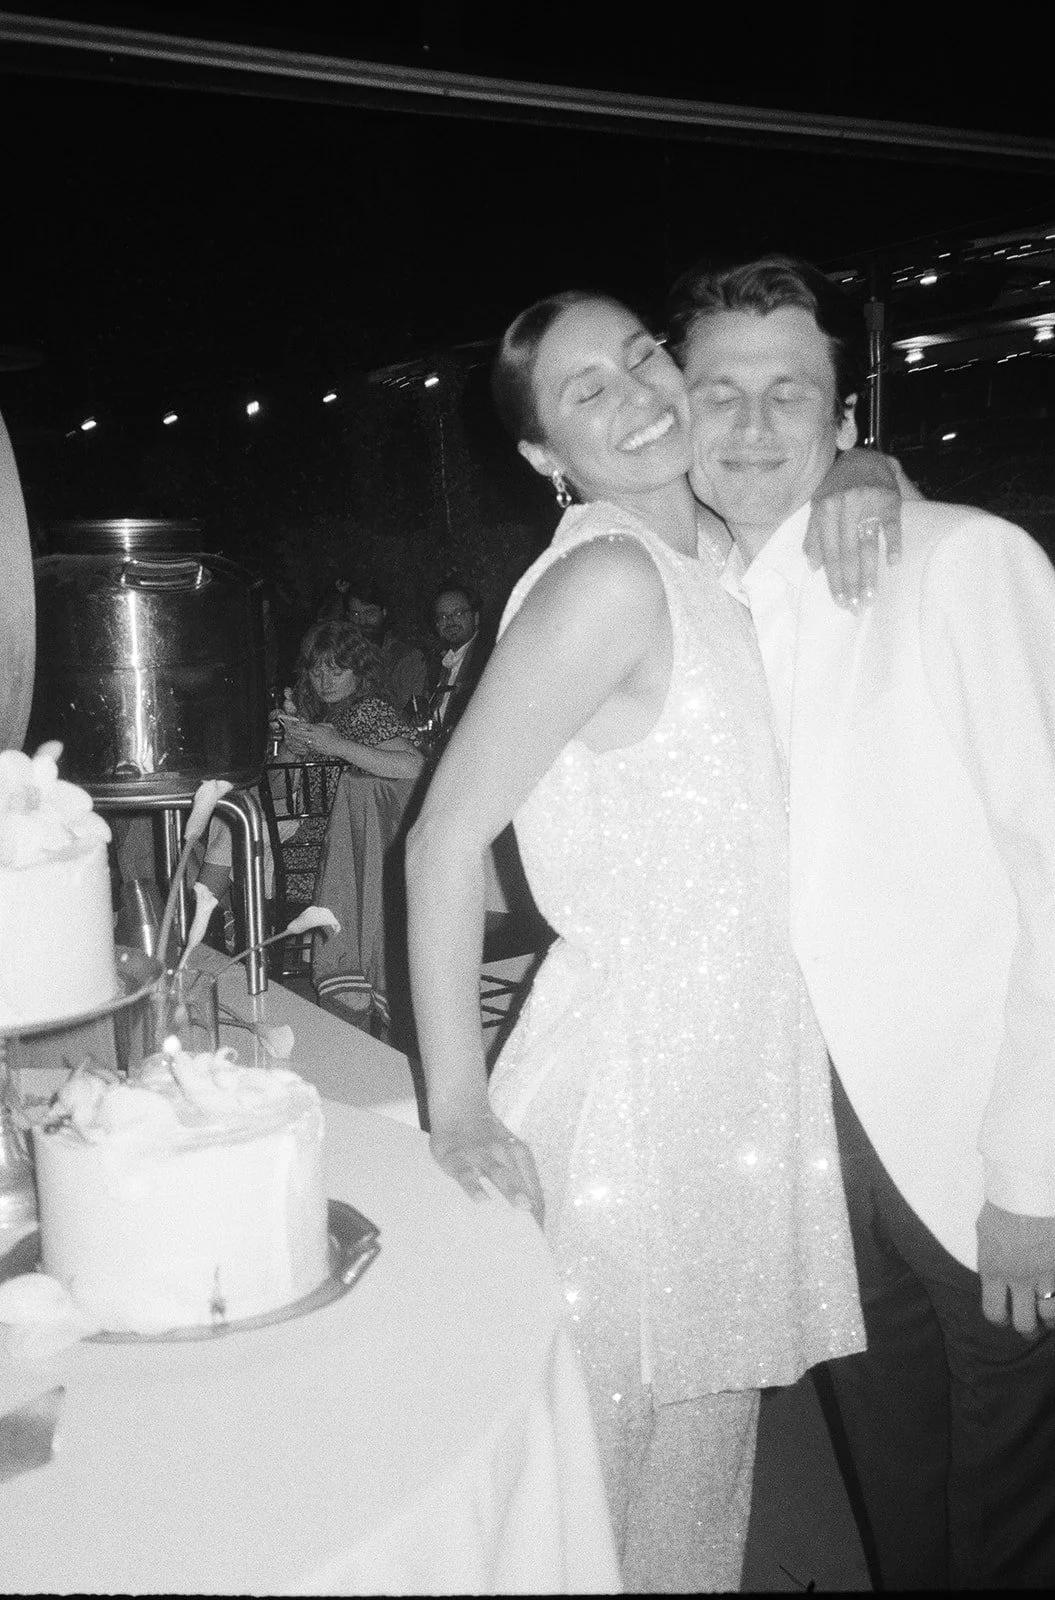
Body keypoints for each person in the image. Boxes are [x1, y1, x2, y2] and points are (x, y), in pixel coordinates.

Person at [405, 289, 891, 1591]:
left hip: (733, 1090)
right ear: (539, 457)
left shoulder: (719, 558)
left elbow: (809, 476)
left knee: (692, 1497)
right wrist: (454, 1105)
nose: (637, 395)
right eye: (586, 394)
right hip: (627, 1098)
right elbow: (443, 836)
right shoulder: (610, 579)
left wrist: (862, 464)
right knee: (584, 1512)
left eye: (639, 356)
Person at [669, 252, 1055, 1590]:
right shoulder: (685, 605)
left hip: (973, 1148)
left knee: (1009, 1512)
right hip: (805, 1147)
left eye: (793, 395)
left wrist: (1033, 1174)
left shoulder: (959, 564)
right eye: (721, 392)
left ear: (843, 423)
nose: (756, 426)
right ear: (679, 419)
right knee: (891, 1489)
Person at [197, 619, 424, 921]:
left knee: (234, 827)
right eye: (317, 672)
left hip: (340, 846)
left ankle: (204, 927)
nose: (325, 682)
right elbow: (277, 790)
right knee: (231, 820)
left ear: (360, 672)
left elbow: (415, 766)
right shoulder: (327, 713)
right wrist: (293, 748)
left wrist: (338, 745)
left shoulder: (368, 709)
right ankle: (214, 924)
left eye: (336, 671)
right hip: (317, 832)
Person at [415, 580, 488, 740]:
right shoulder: (438, 662)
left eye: (458, 614)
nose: (450, 621)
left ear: (475, 617)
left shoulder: (486, 659)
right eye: (442, 616)